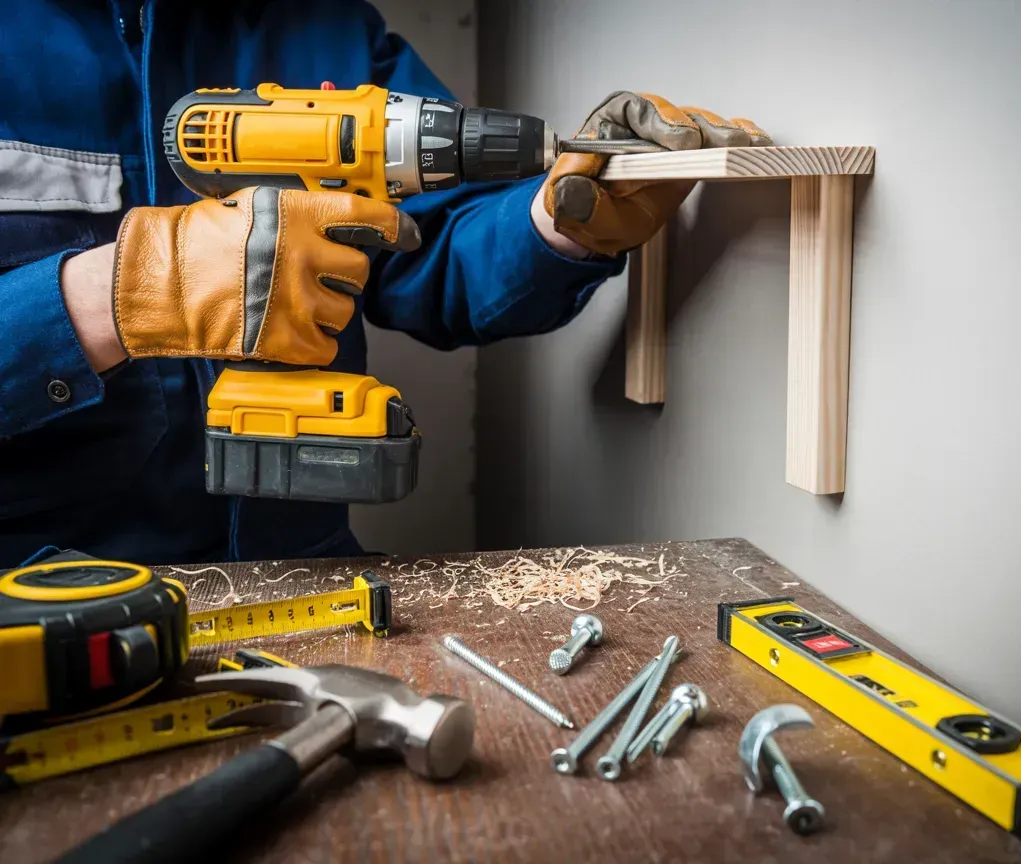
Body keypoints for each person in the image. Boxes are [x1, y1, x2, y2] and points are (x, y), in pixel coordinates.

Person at [0, 0, 770, 566]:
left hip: (306, 572)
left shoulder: (324, 26)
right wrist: (121, 294)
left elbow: (429, 244)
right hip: (52, 598)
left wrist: (557, 222)